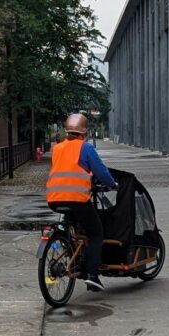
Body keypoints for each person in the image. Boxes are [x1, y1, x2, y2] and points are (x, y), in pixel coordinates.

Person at [46, 113, 118, 291]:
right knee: (96, 233)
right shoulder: (85, 148)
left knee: (73, 227)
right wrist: (112, 184)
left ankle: (70, 251)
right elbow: (100, 171)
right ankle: (92, 275)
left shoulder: (57, 148)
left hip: (54, 199)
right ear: (84, 132)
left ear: (67, 131)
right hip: (77, 199)